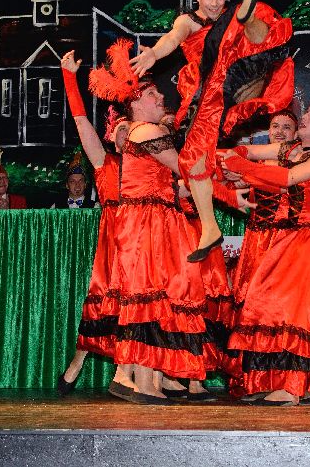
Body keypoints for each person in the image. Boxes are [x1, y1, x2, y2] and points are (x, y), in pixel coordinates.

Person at [129, 0, 295, 263]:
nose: (215, 3)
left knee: (248, 29)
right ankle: (210, 229)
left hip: (236, 69)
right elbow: (173, 38)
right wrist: (154, 53)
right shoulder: (187, 21)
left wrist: (240, 17)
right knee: (193, 158)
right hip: (212, 85)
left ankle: (249, 18)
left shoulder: (227, 15)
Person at [89, 40, 218, 404]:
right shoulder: (147, 131)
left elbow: (174, 180)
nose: (161, 96)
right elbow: (187, 168)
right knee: (150, 295)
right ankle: (143, 382)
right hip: (148, 220)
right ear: (135, 103)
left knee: (155, 296)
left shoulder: (141, 133)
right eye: (152, 94)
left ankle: (147, 379)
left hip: (151, 217)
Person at [221, 92, 310, 406]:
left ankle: (290, 388)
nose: (306, 117)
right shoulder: (290, 149)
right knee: (301, 312)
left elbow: (288, 178)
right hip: (295, 235)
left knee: (292, 309)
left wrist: (242, 168)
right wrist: (231, 160)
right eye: (308, 112)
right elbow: (249, 152)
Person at [57, 49, 136, 400]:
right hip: (116, 238)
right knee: (106, 303)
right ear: (111, 137)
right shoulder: (104, 163)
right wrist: (69, 78)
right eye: (121, 130)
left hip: (144, 237)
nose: (127, 135)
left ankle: (126, 373)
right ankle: (77, 362)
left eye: (131, 130)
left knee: (137, 306)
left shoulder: (153, 163)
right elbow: (80, 122)